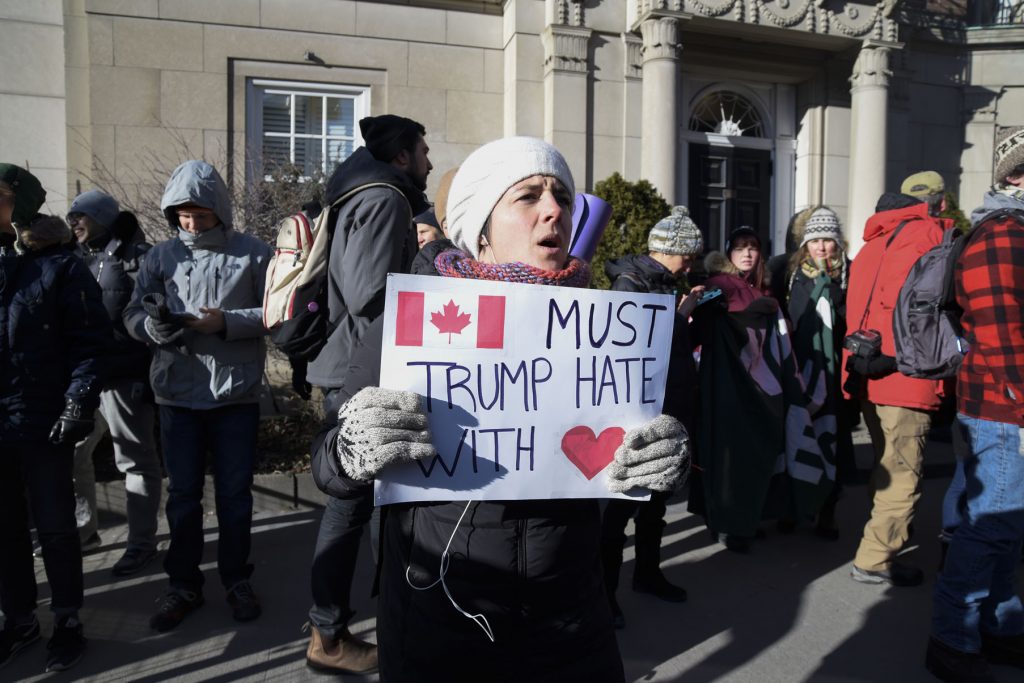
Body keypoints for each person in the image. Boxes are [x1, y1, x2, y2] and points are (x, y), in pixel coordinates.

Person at [312, 136, 689, 681]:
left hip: (573, 620)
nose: (555, 209)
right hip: (439, 620)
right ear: (482, 227)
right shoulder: (412, 322)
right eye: (529, 196)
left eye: (562, 195)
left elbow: (651, 452)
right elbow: (326, 463)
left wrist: (666, 460)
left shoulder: (608, 331)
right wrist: (351, 449)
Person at [304, 114, 431, 675]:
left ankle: (359, 627)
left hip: (350, 365)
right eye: (423, 151)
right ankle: (330, 635)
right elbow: (366, 293)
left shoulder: (362, 193)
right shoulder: (386, 198)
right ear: (401, 156)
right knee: (354, 505)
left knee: (364, 506)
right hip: (362, 370)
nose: (428, 161)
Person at [123, 160, 272, 632]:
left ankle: (237, 579)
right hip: (177, 394)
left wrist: (226, 322)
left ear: (220, 210)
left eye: (201, 215)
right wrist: (152, 328)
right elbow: (132, 312)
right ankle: (183, 583)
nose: (191, 223)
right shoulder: (160, 256)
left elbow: (278, 312)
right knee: (183, 496)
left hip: (234, 395)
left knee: (234, 495)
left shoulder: (254, 253)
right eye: (183, 215)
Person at [0, 165, 112, 672]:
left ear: (19, 204)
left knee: (56, 526)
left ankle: (67, 619)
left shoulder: (60, 267)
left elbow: (90, 341)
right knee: (5, 528)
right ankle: (19, 618)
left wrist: (77, 402)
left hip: (42, 416)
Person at [926, 128, 1024, 681]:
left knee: (1007, 529)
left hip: (1003, 403)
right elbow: (1001, 332)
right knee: (989, 527)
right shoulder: (1004, 234)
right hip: (1003, 408)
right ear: (1016, 175)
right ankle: (952, 638)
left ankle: (999, 626)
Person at [690, 225, 831, 553]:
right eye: (740, 247)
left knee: (752, 455)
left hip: (760, 389)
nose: (747, 253)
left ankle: (744, 518)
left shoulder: (762, 290)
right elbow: (701, 330)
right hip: (726, 389)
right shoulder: (718, 287)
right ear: (728, 253)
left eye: (753, 247)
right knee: (728, 457)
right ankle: (726, 523)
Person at [843, 172, 953, 587]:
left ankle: (879, 541)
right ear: (940, 202)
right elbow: (929, 307)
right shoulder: (930, 235)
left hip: (866, 369)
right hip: (906, 372)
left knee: (887, 464)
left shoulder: (873, 241)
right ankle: (874, 558)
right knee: (903, 473)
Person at [599, 205, 704, 628]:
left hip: (665, 411)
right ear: (667, 250)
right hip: (638, 418)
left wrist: (684, 313)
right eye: (687, 256)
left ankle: (647, 574)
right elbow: (631, 350)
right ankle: (605, 594)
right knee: (619, 511)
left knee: (655, 504)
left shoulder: (661, 284)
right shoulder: (631, 284)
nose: (690, 265)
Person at [66, 189, 162, 576]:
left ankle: (141, 544)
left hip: (124, 377)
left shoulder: (138, 257)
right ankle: (84, 532)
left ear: (103, 218)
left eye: (81, 216)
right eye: (70, 217)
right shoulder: (76, 257)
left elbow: (150, 317)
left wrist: (146, 375)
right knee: (74, 453)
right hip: (86, 378)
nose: (73, 222)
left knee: (135, 460)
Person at [783, 207, 855, 539]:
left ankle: (828, 511)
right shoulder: (792, 275)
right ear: (805, 245)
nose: (822, 247)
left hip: (834, 374)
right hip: (800, 370)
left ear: (838, 243)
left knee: (832, 441)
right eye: (815, 241)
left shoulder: (849, 275)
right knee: (797, 436)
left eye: (828, 240)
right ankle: (795, 506)